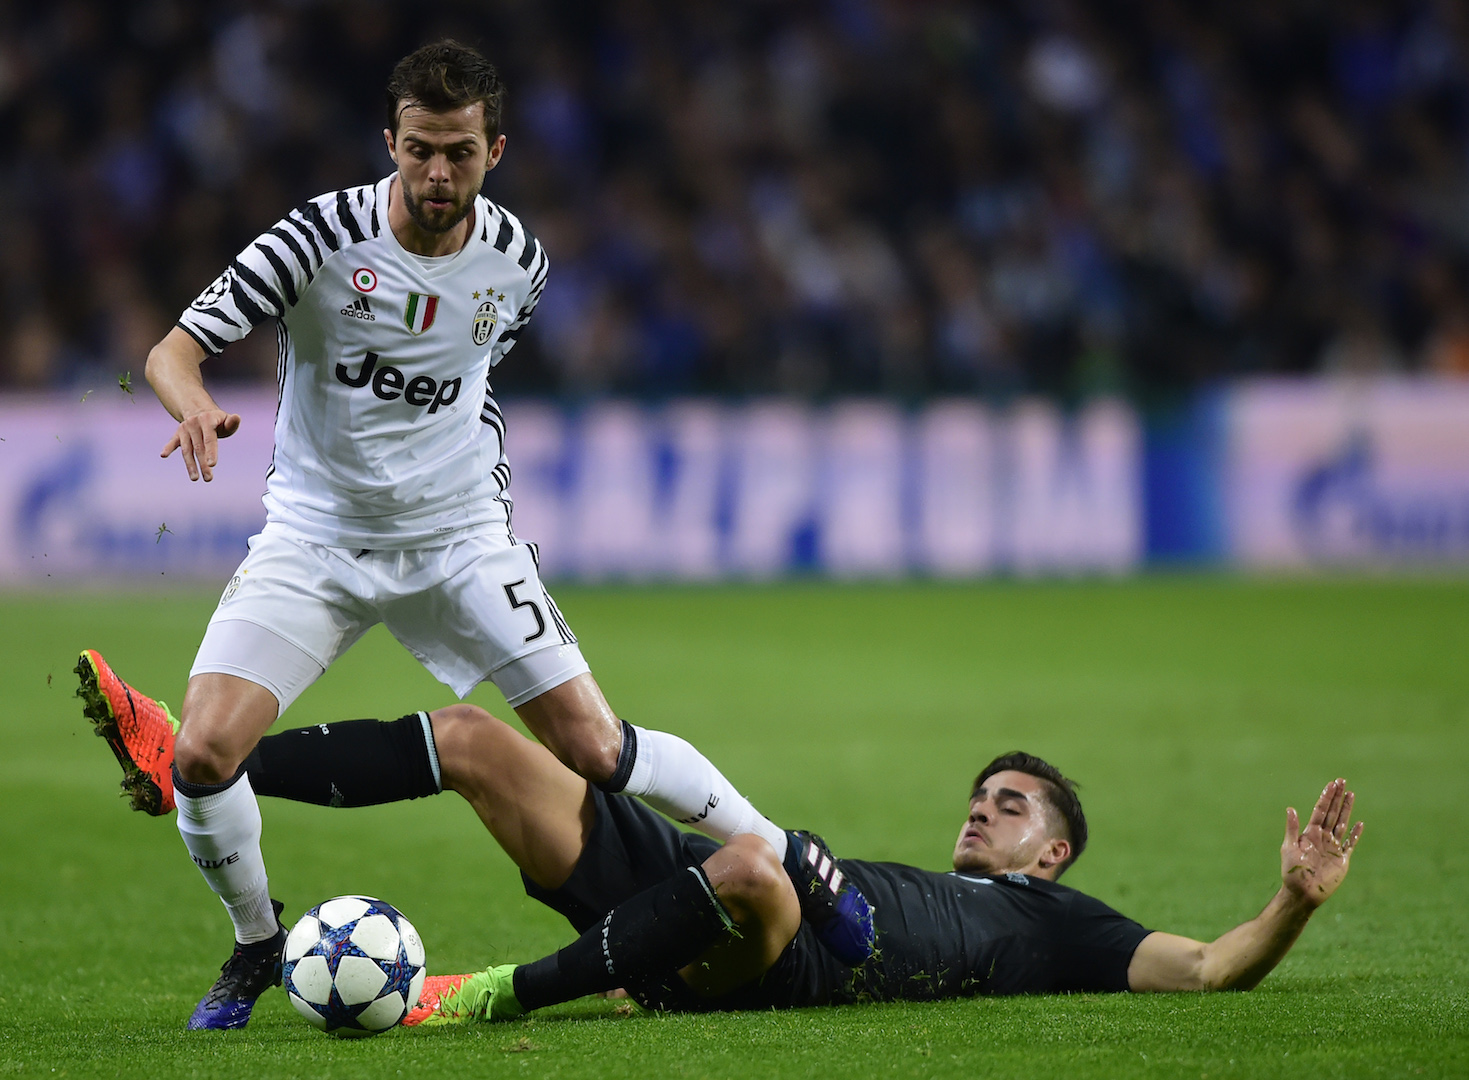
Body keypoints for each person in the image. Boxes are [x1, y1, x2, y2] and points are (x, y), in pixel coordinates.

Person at [93, 40, 869, 1031]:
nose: (435, 173)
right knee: (201, 754)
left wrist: (474, 495)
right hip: (316, 541)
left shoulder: (518, 262)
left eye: (457, 152)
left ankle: (794, 856)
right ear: (391, 141)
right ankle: (252, 947)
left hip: (460, 541)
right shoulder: (316, 240)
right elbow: (173, 349)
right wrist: (191, 403)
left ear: (494, 149)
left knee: (594, 745)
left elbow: (473, 377)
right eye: (418, 149)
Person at [78, 668, 1363, 1021]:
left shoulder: (1059, 930)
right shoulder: (918, 869)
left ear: (1052, 858)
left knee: (753, 865)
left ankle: (483, 1003)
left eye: (1013, 805)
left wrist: (1292, 902)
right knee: (473, 736)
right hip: (736, 897)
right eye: (982, 793)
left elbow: (1206, 972)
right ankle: (202, 759)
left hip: (790, 953)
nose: (984, 808)